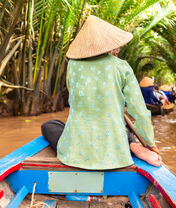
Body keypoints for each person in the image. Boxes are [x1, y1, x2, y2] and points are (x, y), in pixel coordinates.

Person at [41, 15, 162, 170]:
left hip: (75, 152)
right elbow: (139, 112)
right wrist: (150, 144)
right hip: (114, 153)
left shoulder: (72, 65)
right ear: (110, 47)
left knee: (49, 125)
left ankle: (129, 144)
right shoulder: (121, 66)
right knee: (120, 125)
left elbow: (74, 99)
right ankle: (133, 146)